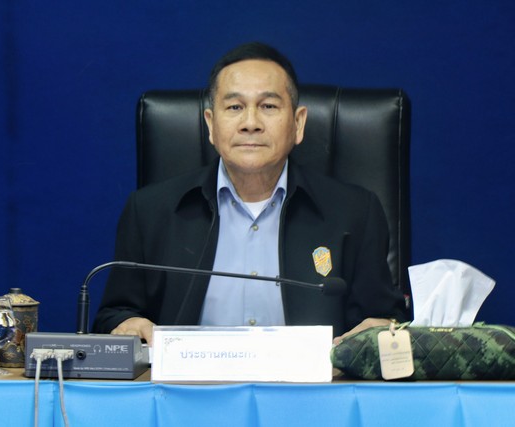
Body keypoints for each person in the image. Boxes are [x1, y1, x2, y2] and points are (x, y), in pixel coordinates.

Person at [92, 42, 407, 345]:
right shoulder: (149, 212)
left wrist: (382, 330)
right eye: (235, 107)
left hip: (311, 383)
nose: (250, 123)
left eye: (268, 106)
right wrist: (127, 324)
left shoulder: (355, 212)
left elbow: (386, 320)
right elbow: (114, 315)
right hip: (190, 382)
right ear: (210, 124)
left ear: (298, 123)